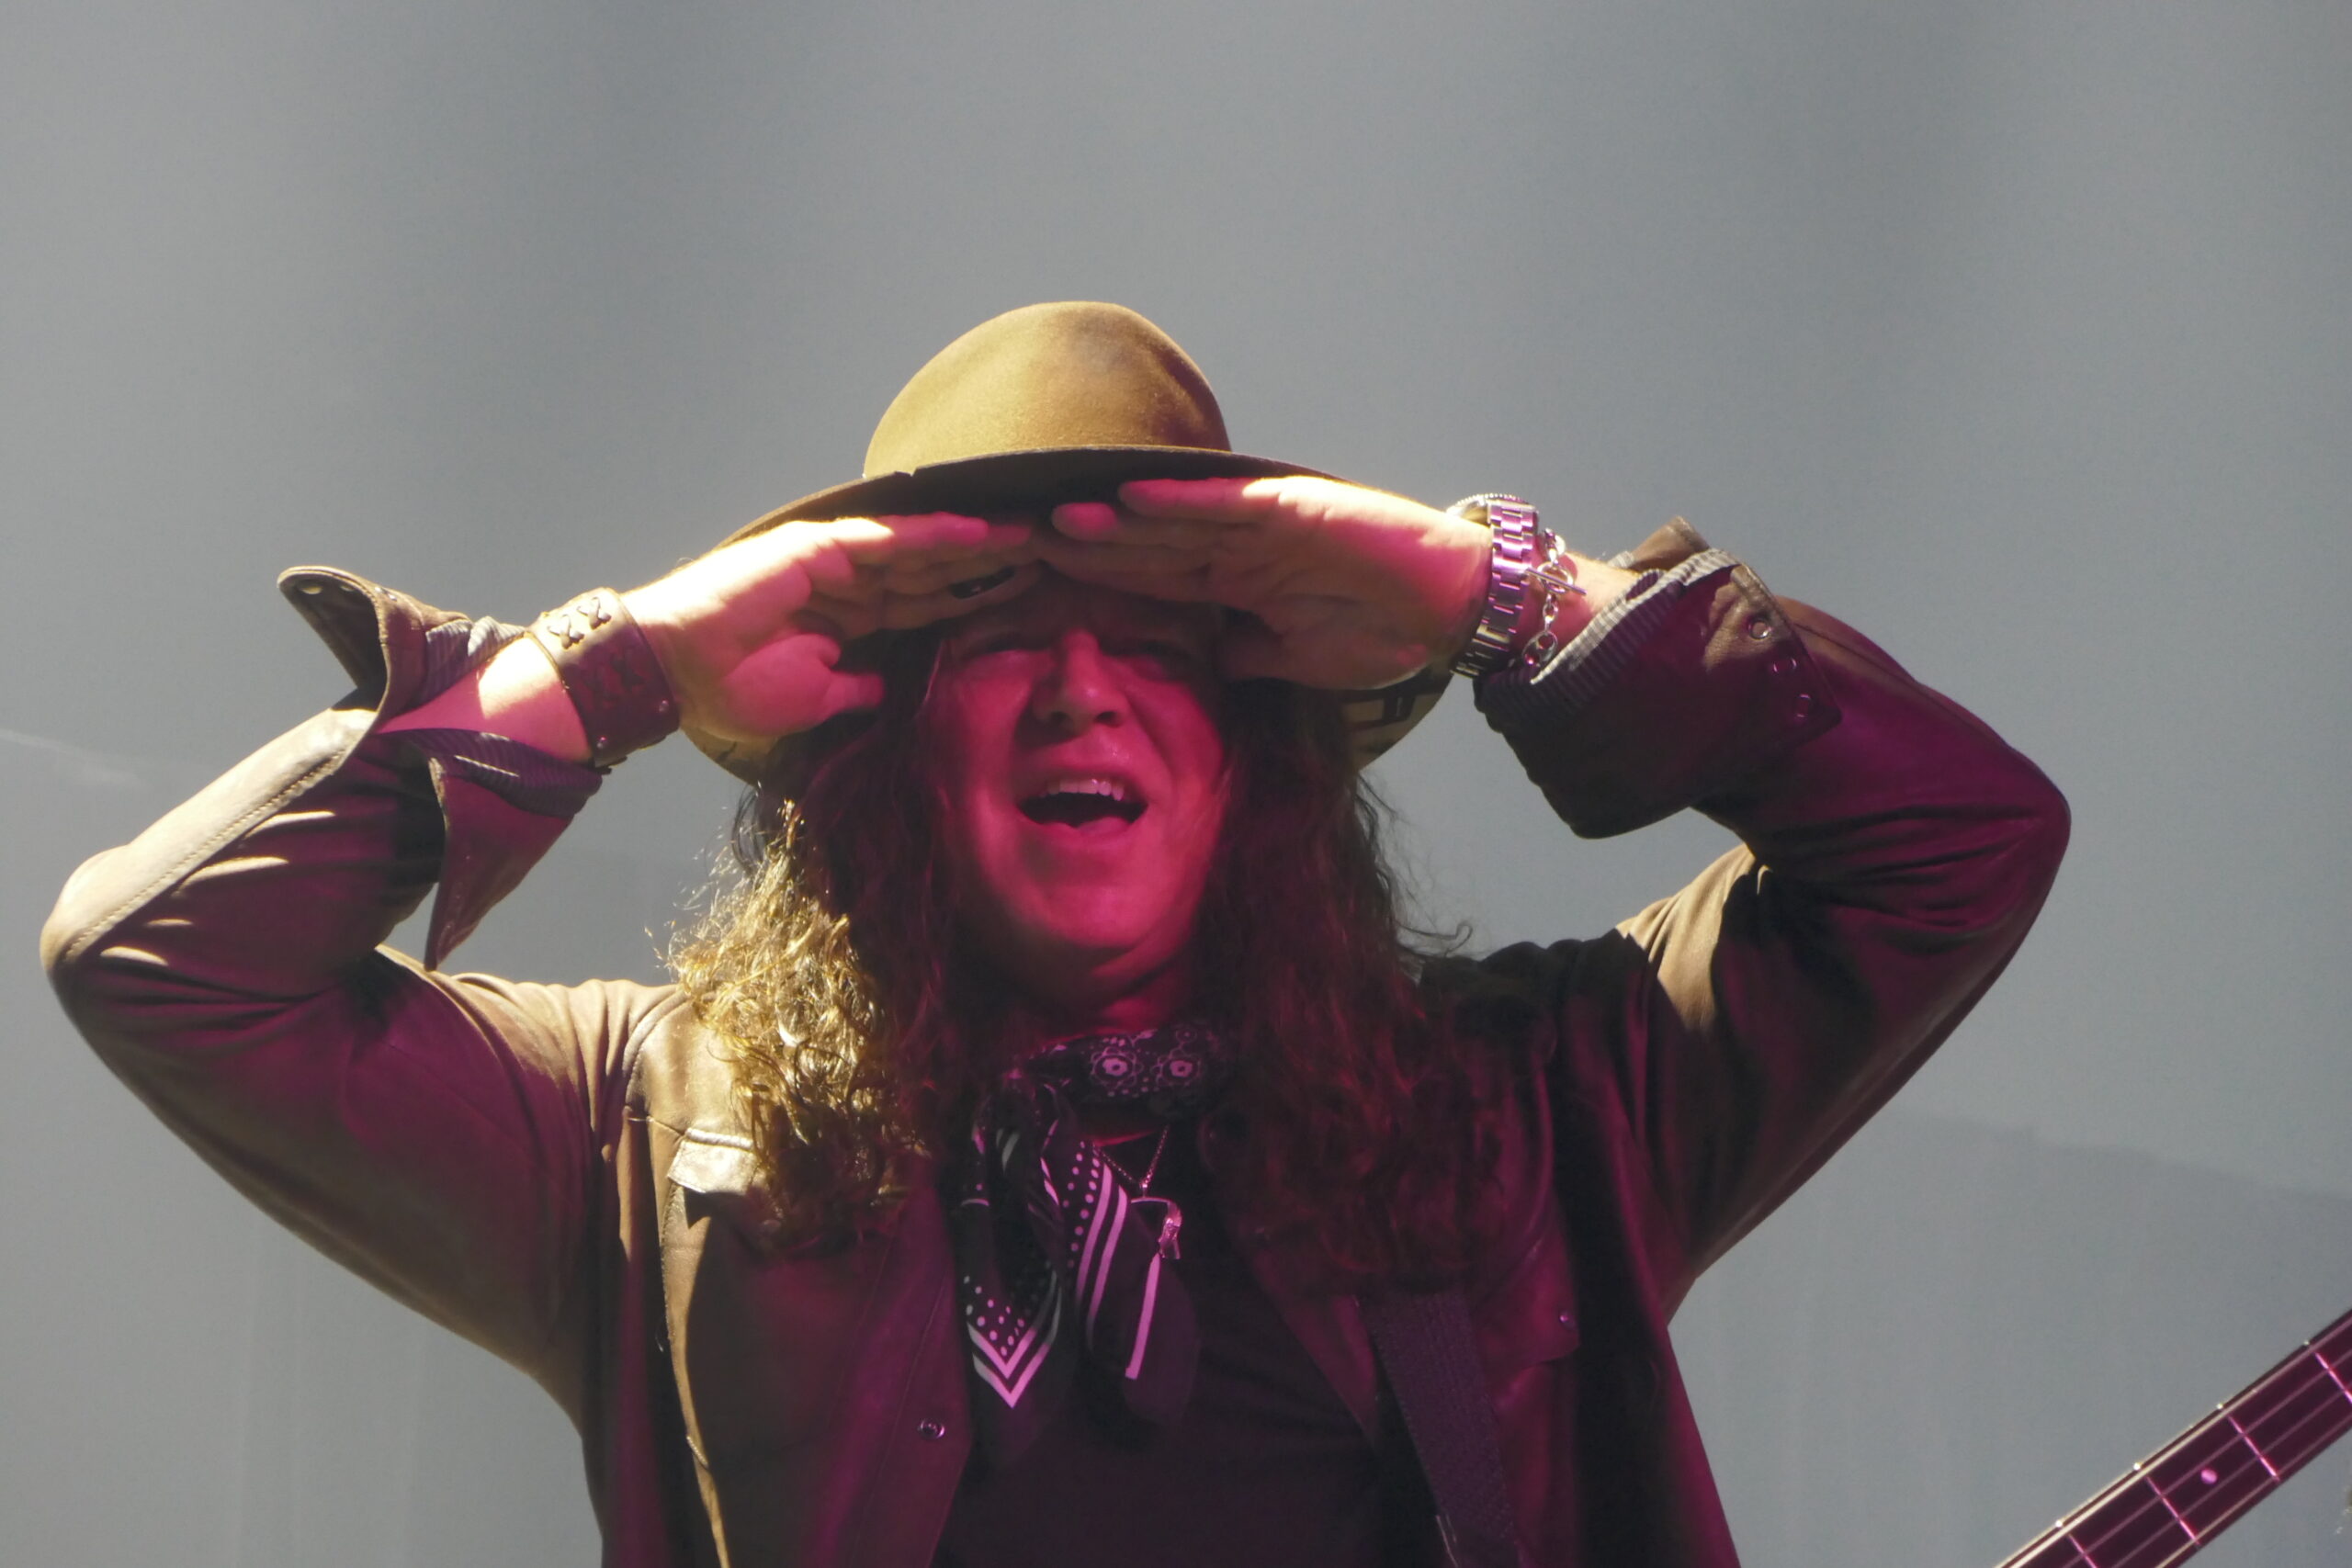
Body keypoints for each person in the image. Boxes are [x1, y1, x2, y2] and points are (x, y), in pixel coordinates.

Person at [42, 301, 2066, 1567]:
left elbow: (1960, 846)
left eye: (1158, 641)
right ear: (885, 752)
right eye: (1002, 641)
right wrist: (614, 664)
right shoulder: (639, 1133)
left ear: (1259, 747)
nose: (1083, 689)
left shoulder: (1539, 1108)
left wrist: (1502, 592)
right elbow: (162, 966)